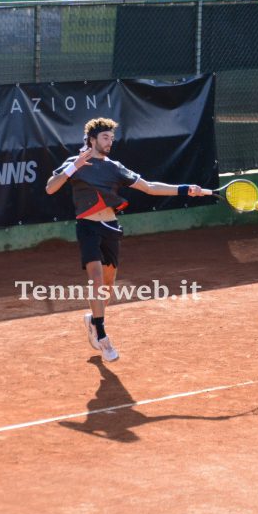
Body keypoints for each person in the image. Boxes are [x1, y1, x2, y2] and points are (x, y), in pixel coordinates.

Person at [45, 117, 211, 362]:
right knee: (96, 279)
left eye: (111, 138)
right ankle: (102, 335)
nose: (109, 142)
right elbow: (50, 188)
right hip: (87, 227)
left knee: (107, 288)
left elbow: (149, 187)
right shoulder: (75, 163)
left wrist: (186, 188)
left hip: (110, 227)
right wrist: (73, 168)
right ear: (92, 139)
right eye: (105, 137)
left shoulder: (115, 167)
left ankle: (93, 320)